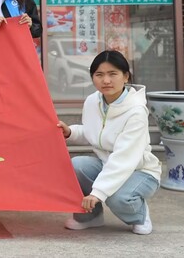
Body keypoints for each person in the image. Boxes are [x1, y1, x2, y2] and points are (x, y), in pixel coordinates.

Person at [56, 50, 161, 235]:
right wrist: (70, 132)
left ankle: (139, 214)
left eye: (113, 74)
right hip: (107, 164)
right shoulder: (92, 101)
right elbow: (94, 133)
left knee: (116, 197)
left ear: (126, 76)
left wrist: (98, 193)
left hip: (140, 171)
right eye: (99, 75)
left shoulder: (136, 112)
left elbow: (124, 158)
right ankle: (90, 217)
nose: (106, 80)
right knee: (77, 166)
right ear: (92, 78)